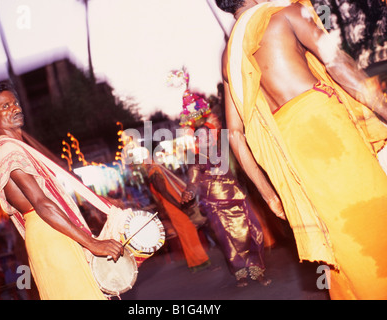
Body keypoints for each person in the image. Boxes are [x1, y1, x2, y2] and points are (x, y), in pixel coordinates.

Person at [216, 0, 387, 299]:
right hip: (327, 137)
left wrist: (269, 194)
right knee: (371, 221)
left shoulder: (229, 56)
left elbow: (235, 135)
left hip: (290, 152)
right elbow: (337, 64)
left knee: (335, 233)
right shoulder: (287, 13)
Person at [0, 82, 129, 300]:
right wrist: (92, 243)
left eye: (16, 103)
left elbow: (53, 195)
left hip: (55, 228)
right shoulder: (6, 150)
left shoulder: (16, 146)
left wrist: (99, 201)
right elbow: (42, 203)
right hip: (50, 232)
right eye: (5, 106)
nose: (16, 109)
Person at [181, 116, 271, 287]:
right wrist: (189, 192)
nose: (206, 139)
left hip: (239, 198)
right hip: (216, 205)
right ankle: (241, 273)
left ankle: (257, 269)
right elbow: (193, 180)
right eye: (201, 137)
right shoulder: (197, 159)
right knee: (229, 241)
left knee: (254, 233)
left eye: (208, 135)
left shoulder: (224, 152)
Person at [145, 160, 211, 273]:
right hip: (173, 206)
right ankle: (198, 261)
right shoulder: (154, 171)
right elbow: (164, 192)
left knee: (188, 232)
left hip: (173, 205)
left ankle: (197, 260)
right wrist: (180, 207)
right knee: (187, 232)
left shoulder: (155, 170)